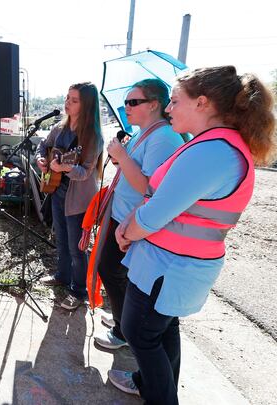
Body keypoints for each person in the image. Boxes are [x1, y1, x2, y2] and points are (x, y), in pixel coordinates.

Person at [108, 66, 276, 404]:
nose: (169, 108)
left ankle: (161, 396)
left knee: (140, 334)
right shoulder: (215, 146)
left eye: (174, 100)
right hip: (173, 266)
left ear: (202, 103)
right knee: (161, 329)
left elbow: (155, 212)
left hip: (168, 266)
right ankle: (150, 384)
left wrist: (127, 230)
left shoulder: (211, 152)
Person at [93, 79, 184, 350]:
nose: (127, 108)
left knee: (111, 271)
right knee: (114, 271)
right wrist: (121, 156)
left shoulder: (163, 137)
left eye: (133, 102)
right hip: (121, 215)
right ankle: (122, 319)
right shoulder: (146, 132)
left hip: (133, 221)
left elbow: (147, 186)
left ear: (154, 104)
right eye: (126, 102)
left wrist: (122, 154)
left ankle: (123, 330)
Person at [36, 82, 104, 310]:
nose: (67, 103)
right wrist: (42, 161)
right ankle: (62, 276)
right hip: (57, 192)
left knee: (78, 247)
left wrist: (65, 169)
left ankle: (78, 291)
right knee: (61, 240)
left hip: (79, 199)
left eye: (74, 100)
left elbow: (85, 172)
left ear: (87, 106)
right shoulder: (59, 128)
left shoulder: (92, 136)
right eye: (67, 98)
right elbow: (42, 146)